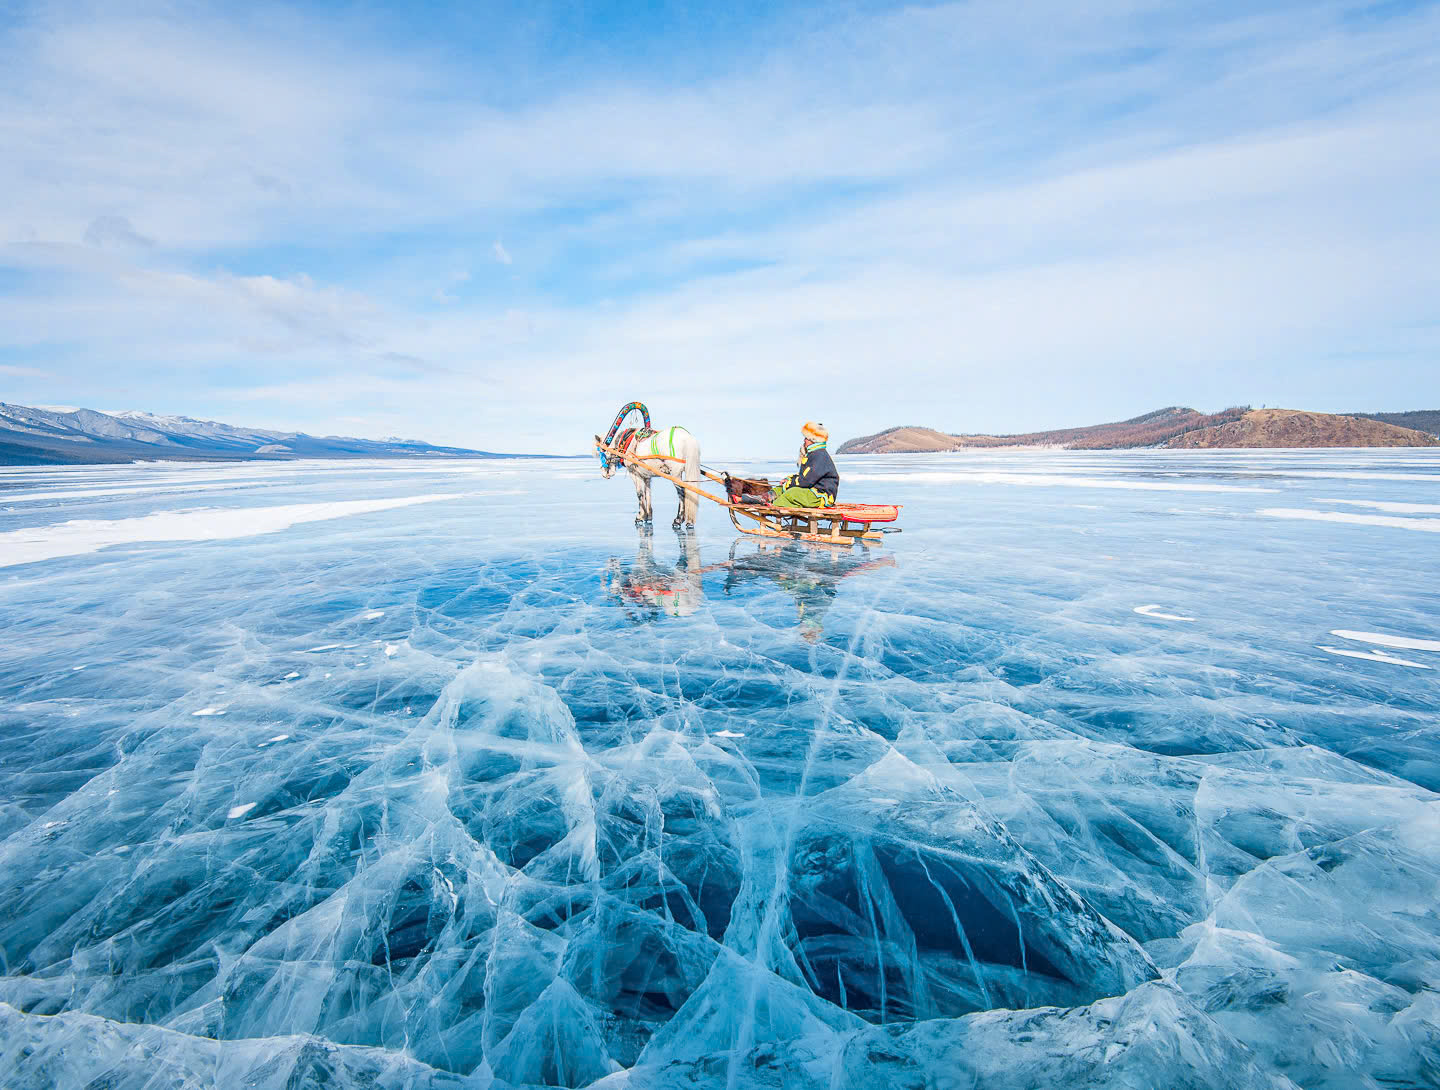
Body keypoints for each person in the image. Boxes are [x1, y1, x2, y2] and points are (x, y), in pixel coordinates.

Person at [771, 421, 838, 508]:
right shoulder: (812, 454)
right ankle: (764, 498)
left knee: (793, 493)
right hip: (810, 490)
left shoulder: (819, 455)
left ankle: (774, 504)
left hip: (821, 496)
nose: (804, 440)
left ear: (813, 440)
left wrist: (790, 483)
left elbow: (806, 481)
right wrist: (789, 480)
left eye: (806, 438)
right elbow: (804, 476)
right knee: (780, 488)